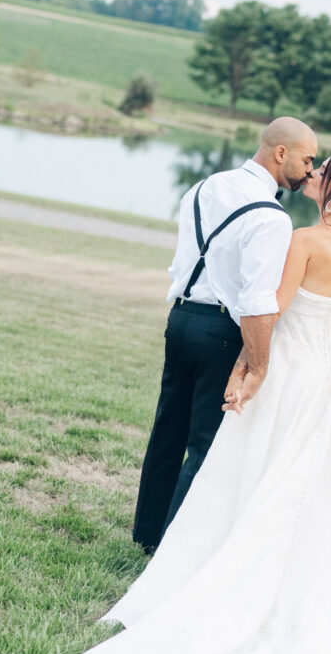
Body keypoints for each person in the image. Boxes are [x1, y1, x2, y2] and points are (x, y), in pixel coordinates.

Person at [38, 150, 331, 654]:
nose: (313, 172)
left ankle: (229, 562)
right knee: (302, 477)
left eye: (321, 170)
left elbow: (270, 310)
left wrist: (247, 369)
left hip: (293, 370)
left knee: (256, 466)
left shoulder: (303, 240)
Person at [132, 116, 317, 552]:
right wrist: (259, 365)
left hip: (179, 319)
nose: (311, 170)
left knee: (167, 433)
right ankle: (170, 552)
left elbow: (184, 261)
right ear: (281, 153)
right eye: (307, 160)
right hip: (220, 332)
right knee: (204, 447)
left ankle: (145, 535)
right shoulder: (272, 218)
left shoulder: (203, 188)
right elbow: (256, 302)